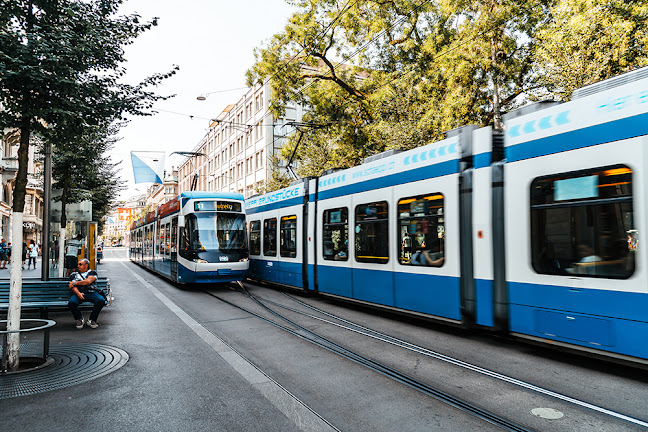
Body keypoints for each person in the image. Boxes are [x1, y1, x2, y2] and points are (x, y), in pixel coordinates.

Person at [68, 258, 105, 329]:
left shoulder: (92, 273)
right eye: (78, 264)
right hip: (78, 293)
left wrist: (76, 283)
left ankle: (92, 319)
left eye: (80, 264)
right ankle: (79, 319)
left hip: (91, 292)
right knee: (72, 302)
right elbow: (72, 286)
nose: (78, 266)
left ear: (86, 265)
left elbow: (88, 281)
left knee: (101, 300)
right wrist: (78, 293)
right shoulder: (74, 274)